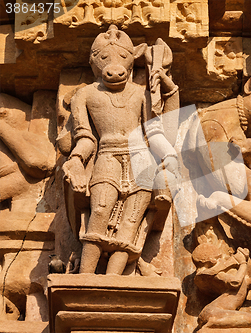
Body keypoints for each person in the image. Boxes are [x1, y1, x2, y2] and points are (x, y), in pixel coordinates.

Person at [62, 25, 178, 275]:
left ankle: (115, 278)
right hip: (107, 156)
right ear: (94, 62)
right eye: (104, 58)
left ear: (132, 61)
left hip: (141, 159)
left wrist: (168, 156)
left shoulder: (141, 94)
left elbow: (154, 132)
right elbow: (86, 138)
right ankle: (85, 276)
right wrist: (76, 160)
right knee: (100, 210)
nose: (114, 65)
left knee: (132, 221)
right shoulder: (84, 95)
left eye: (123, 58)